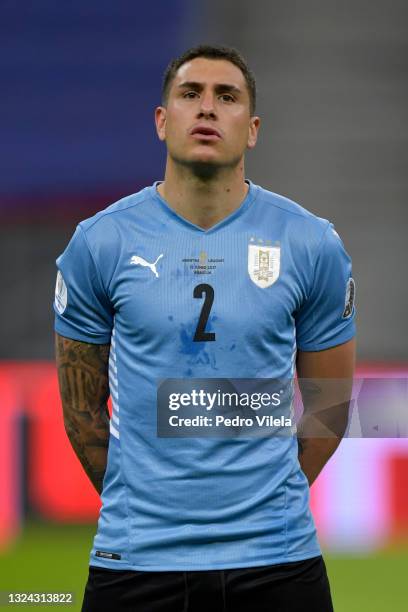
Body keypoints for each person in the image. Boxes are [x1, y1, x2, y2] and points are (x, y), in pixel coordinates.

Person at [54, 44, 356, 612]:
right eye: (190, 95)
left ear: (254, 128)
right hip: (137, 559)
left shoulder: (311, 243)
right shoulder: (100, 242)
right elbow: (80, 411)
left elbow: (330, 405)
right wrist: (144, 506)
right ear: (162, 122)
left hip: (278, 560)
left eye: (227, 97)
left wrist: (268, 504)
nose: (208, 109)